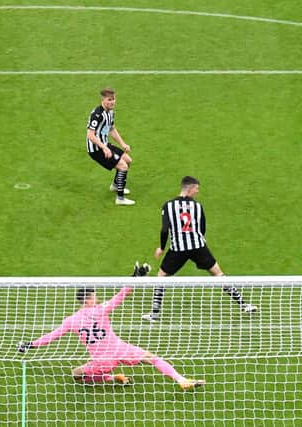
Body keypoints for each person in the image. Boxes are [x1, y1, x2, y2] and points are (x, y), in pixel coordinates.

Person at [17, 287, 205, 390]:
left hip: (102, 360)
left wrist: (30, 345)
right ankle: (180, 379)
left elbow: (52, 336)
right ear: (89, 298)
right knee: (153, 358)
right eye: (94, 295)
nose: (97, 297)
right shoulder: (101, 309)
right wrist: (134, 279)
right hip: (120, 349)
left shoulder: (71, 320)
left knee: (77, 374)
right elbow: (120, 297)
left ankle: (112, 377)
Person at [142, 176, 257, 322]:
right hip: (198, 246)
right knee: (218, 273)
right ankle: (244, 304)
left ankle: (155, 314)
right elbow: (202, 227)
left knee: (161, 277)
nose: (197, 191)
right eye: (196, 188)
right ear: (189, 188)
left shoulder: (168, 205)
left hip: (178, 249)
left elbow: (165, 229)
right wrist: (200, 238)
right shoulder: (198, 206)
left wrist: (161, 247)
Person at [86, 87, 135, 206]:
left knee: (128, 160)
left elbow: (111, 129)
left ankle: (115, 186)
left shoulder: (111, 112)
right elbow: (90, 135)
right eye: (109, 100)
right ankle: (120, 198)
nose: (112, 102)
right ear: (103, 100)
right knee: (122, 166)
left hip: (105, 145)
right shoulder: (97, 115)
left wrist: (123, 144)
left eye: (113, 99)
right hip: (96, 149)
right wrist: (104, 147)